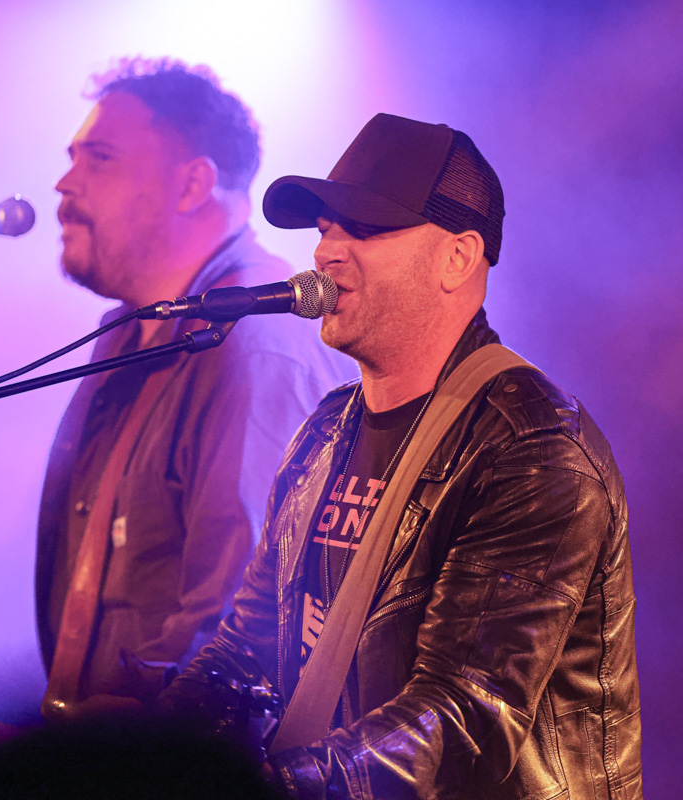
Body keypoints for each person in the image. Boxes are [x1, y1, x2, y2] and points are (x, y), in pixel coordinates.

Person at [160, 113, 643, 799]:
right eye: (324, 228)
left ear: (458, 257)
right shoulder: (324, 432)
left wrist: (270, 787)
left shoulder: (533, 451)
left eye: (364, 228)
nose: (325, 252)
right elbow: (247, 647)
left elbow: (462, 717)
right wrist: (138, 759)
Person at [36, 58, 350, 719]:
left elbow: (244, 624)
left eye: (100, 158)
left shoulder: (258, 343)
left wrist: (132, 743)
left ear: (192, 185)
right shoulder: (128, 330)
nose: (65, 182)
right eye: (73, 158)